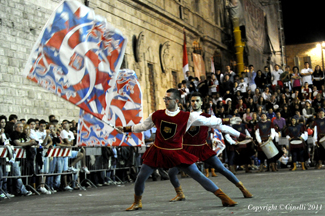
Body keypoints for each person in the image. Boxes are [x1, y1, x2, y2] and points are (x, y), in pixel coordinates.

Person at [117, 89, 250, 210]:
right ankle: (137, 202)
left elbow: (210, 123)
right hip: (158, 151)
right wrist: (127, 129)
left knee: (198, 175)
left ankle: (224, 198)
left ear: (176, 101)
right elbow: (142, 127)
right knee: (141, 177)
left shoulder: (188, 117)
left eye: (168, 98)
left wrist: (226, 124)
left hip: (177, 152)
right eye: (165, 98)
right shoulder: (157, 114)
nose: (165, 100)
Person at [168, 92, 253, 202]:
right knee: (171, 173)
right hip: (186, 150)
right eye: (193, 101)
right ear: (190, 102)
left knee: (221, 168)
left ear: (202, 102)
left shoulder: (208, 117)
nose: (195, 103)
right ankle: (180, 194)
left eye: (197, 100)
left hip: (202, 148)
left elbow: (224, 128)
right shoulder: (185, 116)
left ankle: (242, 188)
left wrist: (241, 135)